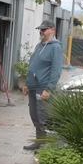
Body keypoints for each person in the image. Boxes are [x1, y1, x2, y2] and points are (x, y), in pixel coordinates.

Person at [23, 18, 63, 151]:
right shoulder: (39, 45)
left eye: (44, 29)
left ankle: (46, 146)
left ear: (52, 30)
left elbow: (56, 70)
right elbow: (33, 65)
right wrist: (27, 84)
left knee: (43, 116)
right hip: (33, 87)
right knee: (34, 115)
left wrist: (49, 89)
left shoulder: (56, 48)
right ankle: (39, 142)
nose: (41, 32)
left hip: (43, 88)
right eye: (40, 29)